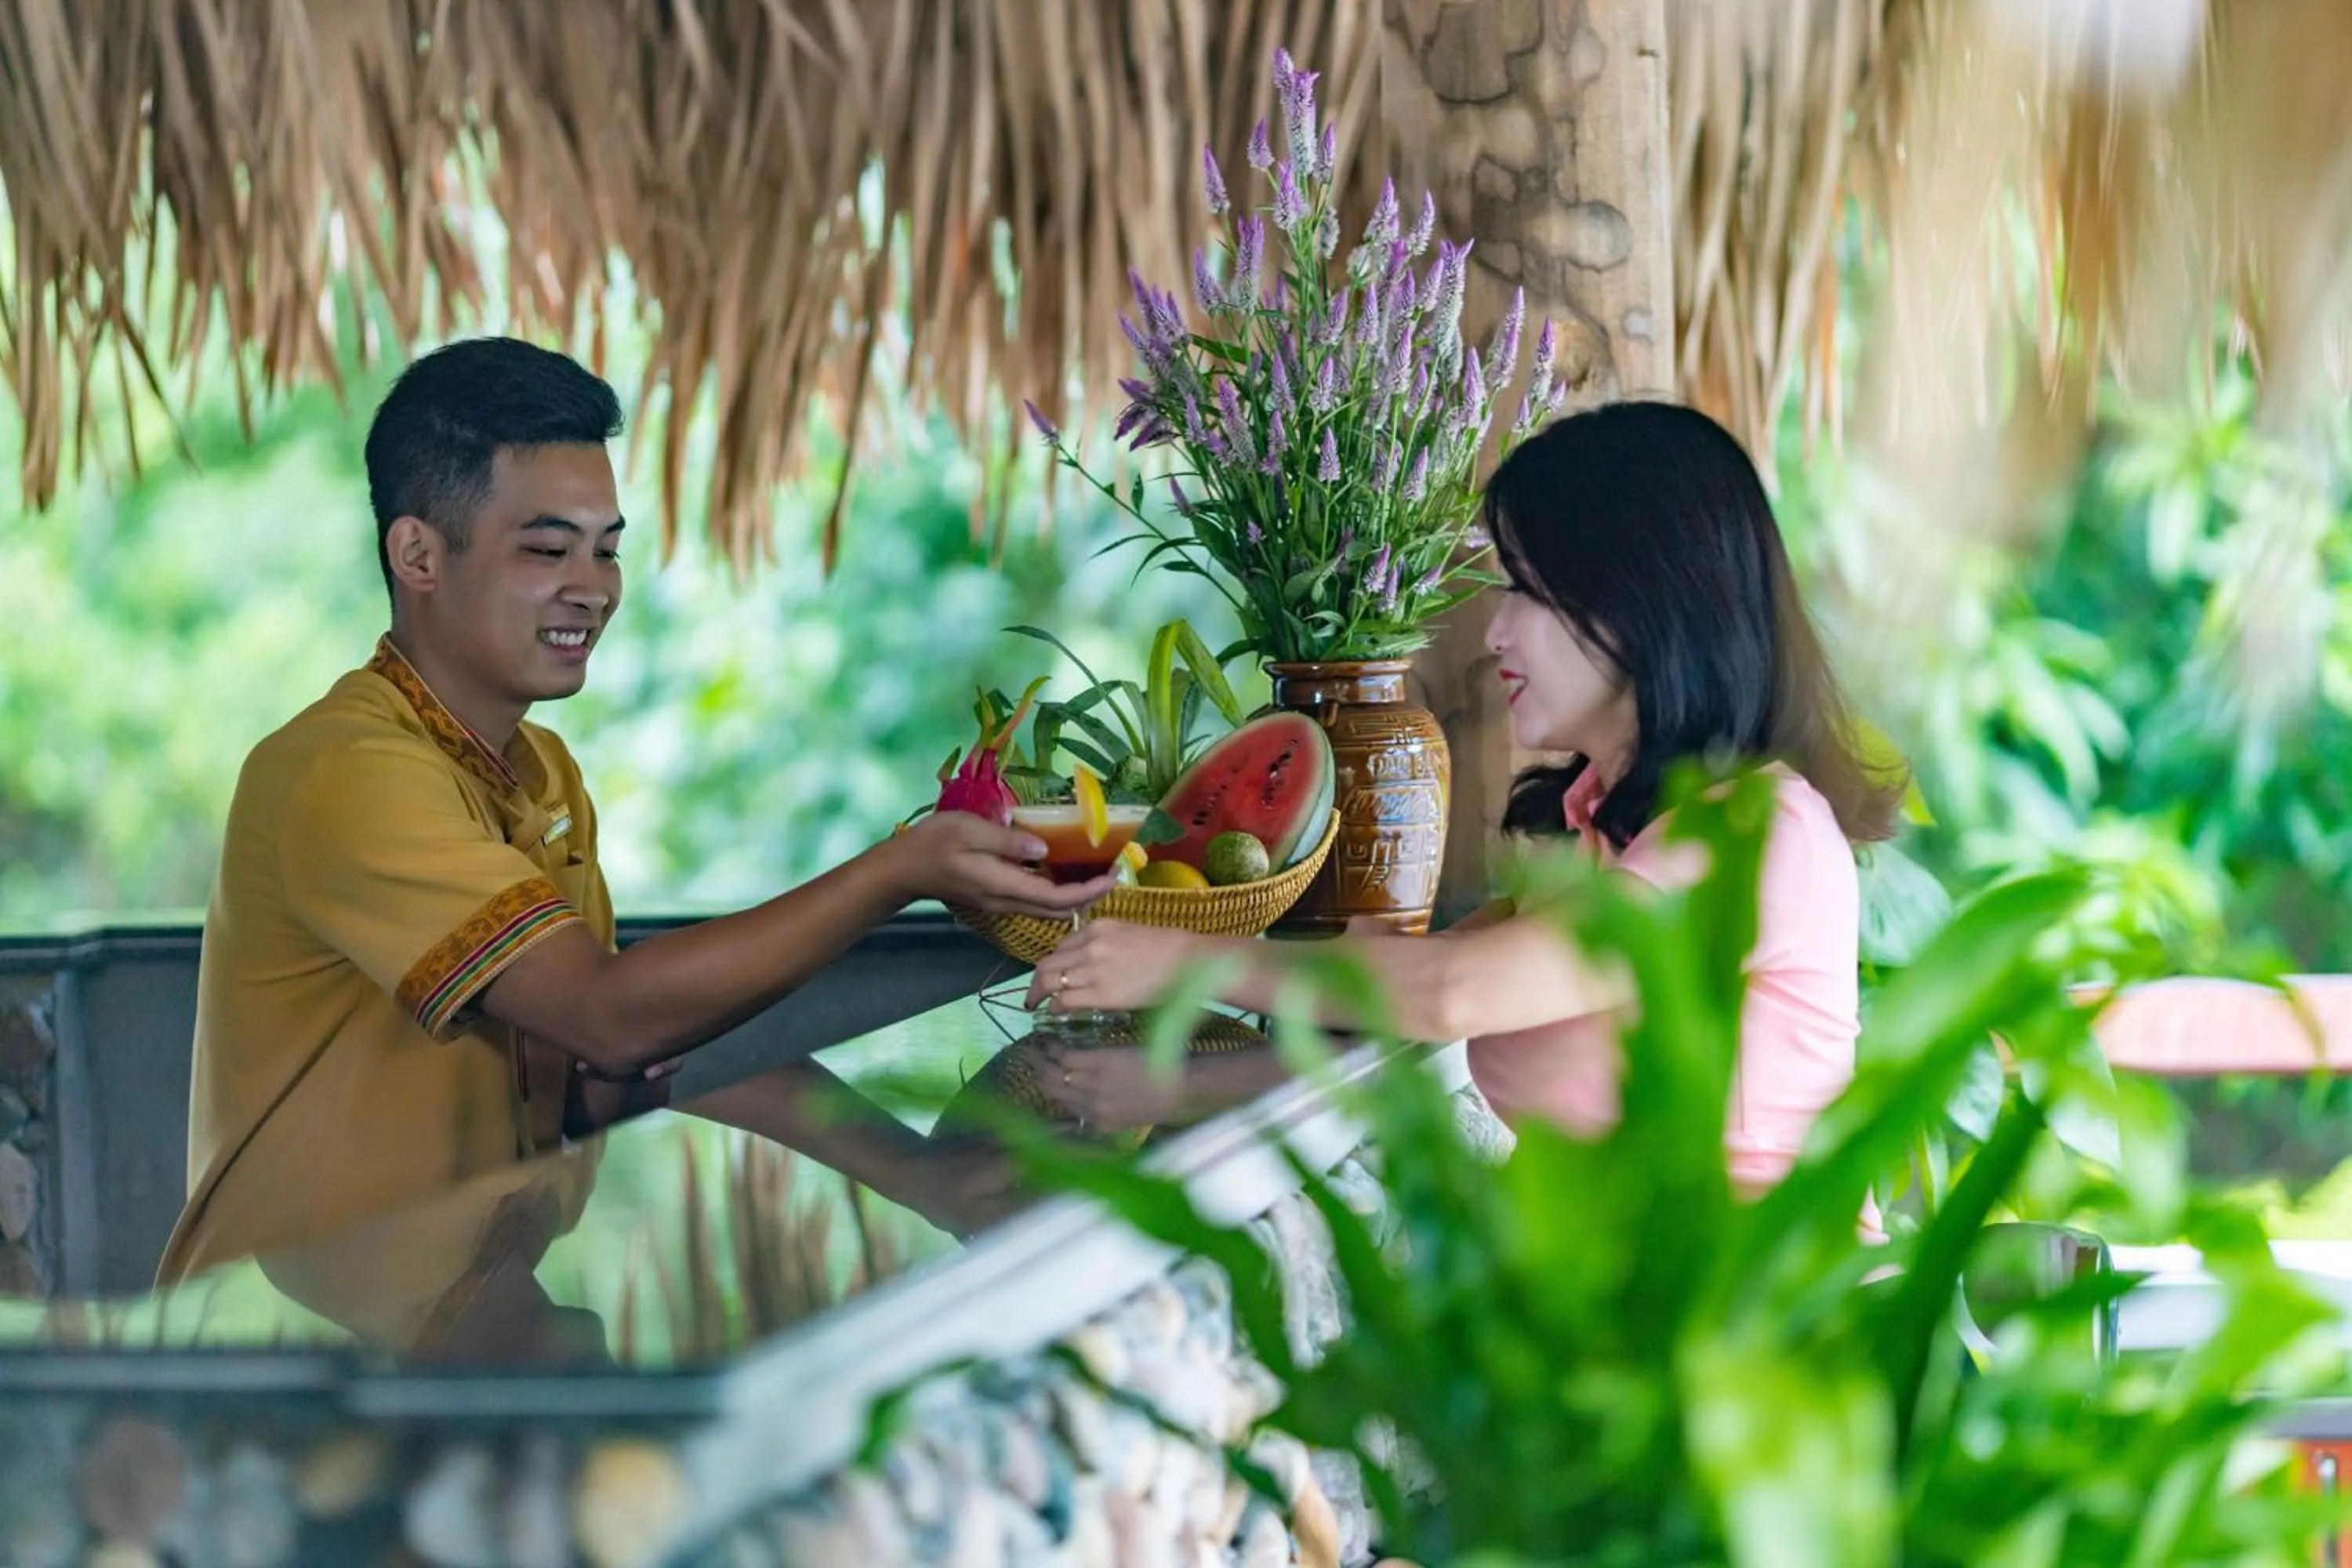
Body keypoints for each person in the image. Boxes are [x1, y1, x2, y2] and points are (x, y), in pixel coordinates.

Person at [158, 336, 1106, 1285]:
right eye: (546, 549)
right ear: (418, 554)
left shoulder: (542, 771)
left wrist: (916, 1172)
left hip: (479, 1302)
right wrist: (899, 869)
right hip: (302, 1359)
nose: (594, 587)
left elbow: (616, 1064)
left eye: (607, 549)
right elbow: (611, 1017)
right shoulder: (348, 770)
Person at [1025, 401, 1905, 1202]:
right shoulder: (1610, 825)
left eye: (1523, 588)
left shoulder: (1750, 831)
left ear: (1642, 601)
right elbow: (1408, 991)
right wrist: (1172, 1078)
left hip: (1748, 1328)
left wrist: (1183, 963)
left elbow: (1451, 992)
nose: (1493, 629)